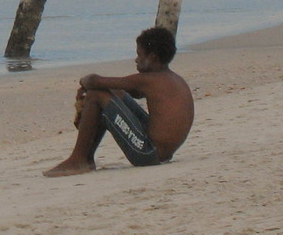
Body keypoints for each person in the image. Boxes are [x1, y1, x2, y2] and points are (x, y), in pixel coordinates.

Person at [43, 26, 194, 177]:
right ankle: (86, 158)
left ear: (152, 57)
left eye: (139, 55)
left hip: (148, 153)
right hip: (162, 153)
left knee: (96, 95)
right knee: (112, 93)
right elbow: (130, 90)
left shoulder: (149, 80)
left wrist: (83, 82)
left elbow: (94, 81)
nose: (136, 60)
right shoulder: (171, 78)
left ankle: (78, 159)